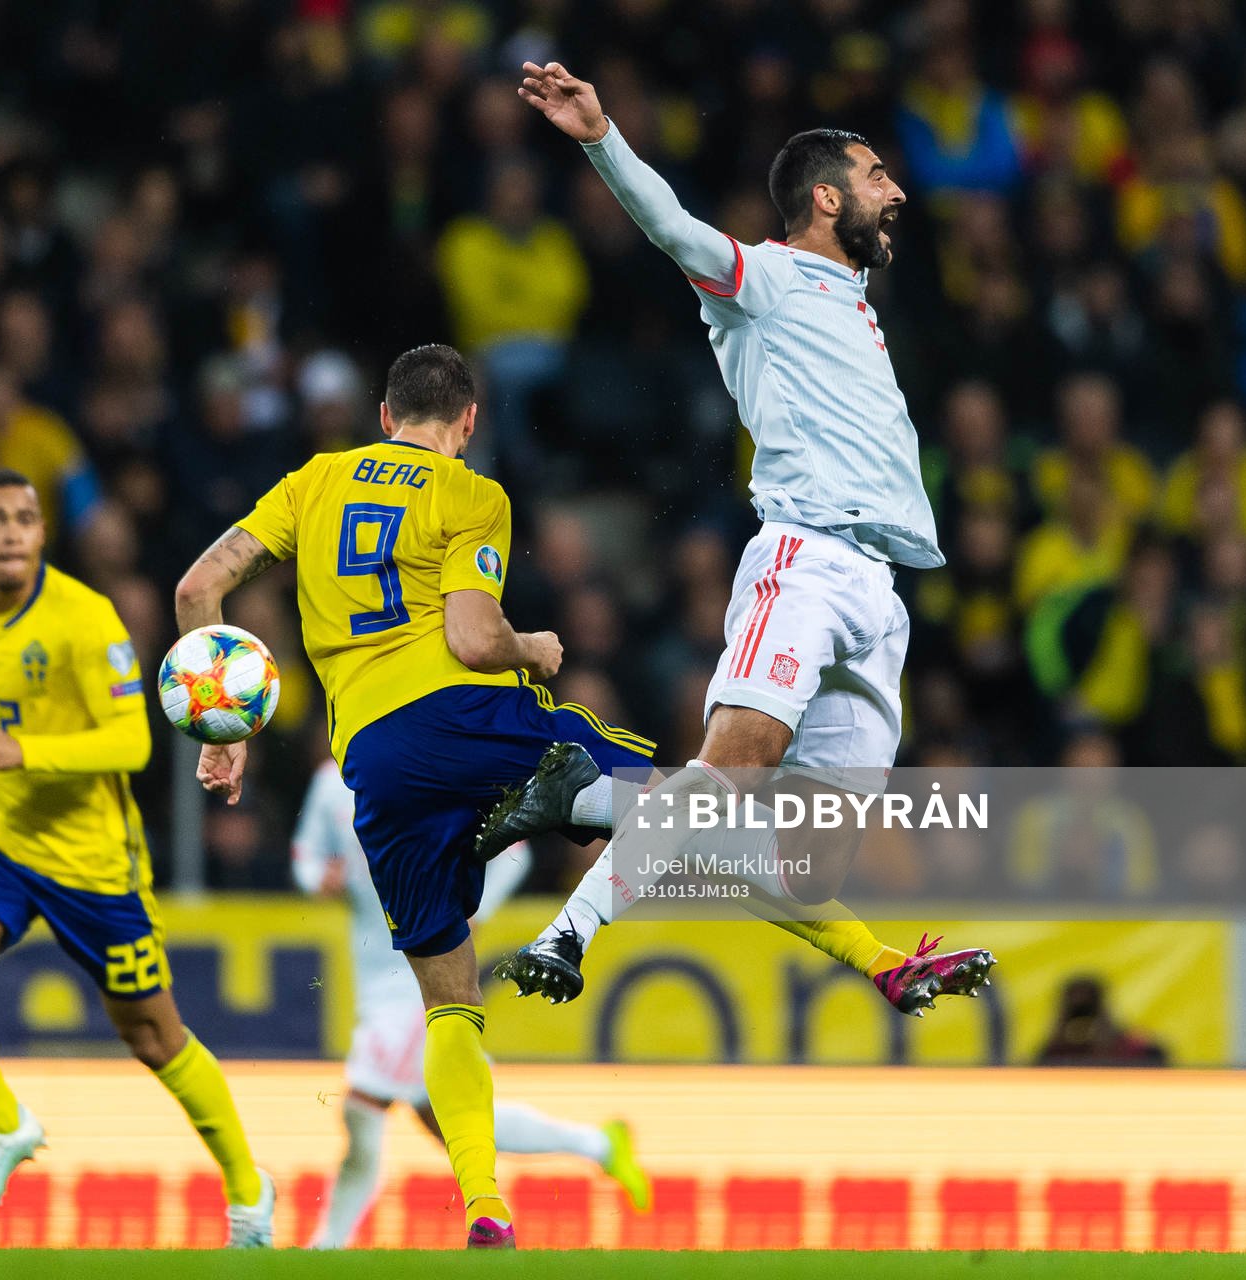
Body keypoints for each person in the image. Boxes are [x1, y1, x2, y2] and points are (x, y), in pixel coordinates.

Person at [488, 63, 994, 1014]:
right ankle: (571, 930)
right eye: (879, 173)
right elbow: (671, 227)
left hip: (879, 602)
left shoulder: (854, 304)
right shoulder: (765, 277)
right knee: (731, 769)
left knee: (804, 869)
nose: (897, 189)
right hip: (803, 562)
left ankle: (590, 800)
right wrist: (601, 135)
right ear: (827, 194)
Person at [174, 344, 656, 1249]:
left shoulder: (314, 482)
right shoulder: (472, 494)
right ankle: (840, 917)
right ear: (468, 423)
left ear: (383, 417)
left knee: (446, 1009)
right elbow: (477, 640)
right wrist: (536, 647)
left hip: (377, 766)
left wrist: (225, 736)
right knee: (673, 807)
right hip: (475, 726)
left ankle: (483, 1210)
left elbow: (199, 586)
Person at [0, 467, 273, 1242]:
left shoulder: (84, 618)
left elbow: (132, 742)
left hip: (93, 864)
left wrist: (21, 752)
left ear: (42, 534)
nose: (9, 532)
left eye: (24, 519)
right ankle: (7, 1126)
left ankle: (248, 1189)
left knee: (153, 1037)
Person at [291, 754, 650, 1249]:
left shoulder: (428, 767)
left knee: (362, 1104)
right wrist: (319, 879)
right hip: (375, 974)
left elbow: (515, 849)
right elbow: (305, 855)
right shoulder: (330, 785)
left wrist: (475, 907)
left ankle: (325, 1248)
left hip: (424, 971)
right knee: (455, 1118)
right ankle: (600, 1145)